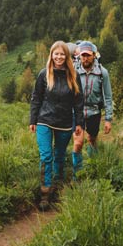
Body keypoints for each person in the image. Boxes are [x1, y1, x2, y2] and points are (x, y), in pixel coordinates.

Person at [29, 40, 84, 210]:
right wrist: (33, 120)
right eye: (56, 54)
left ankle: (57, 187)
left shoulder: (74, 76)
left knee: (60, 156)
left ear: (66, 57)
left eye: (62, 54)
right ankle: (45, 193)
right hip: (44, 120)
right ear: (51, 55)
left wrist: (79, 123)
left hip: (65, 123)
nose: (59, 57)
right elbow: (36, 98)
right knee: (46, 155)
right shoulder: (44, 74)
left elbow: (78, 102)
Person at [71, 40, 113, 179]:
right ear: (79, 56)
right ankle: (78, 174)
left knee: (92, 140)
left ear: (94, 55)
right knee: (78, 143)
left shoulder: (102, 73)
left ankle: (94, 167)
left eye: (88, 55)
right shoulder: (73, 71)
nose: (85, 58)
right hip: (77, 112)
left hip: (94, 112)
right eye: (83, 55)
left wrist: (108, 119)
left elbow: (108, 96)